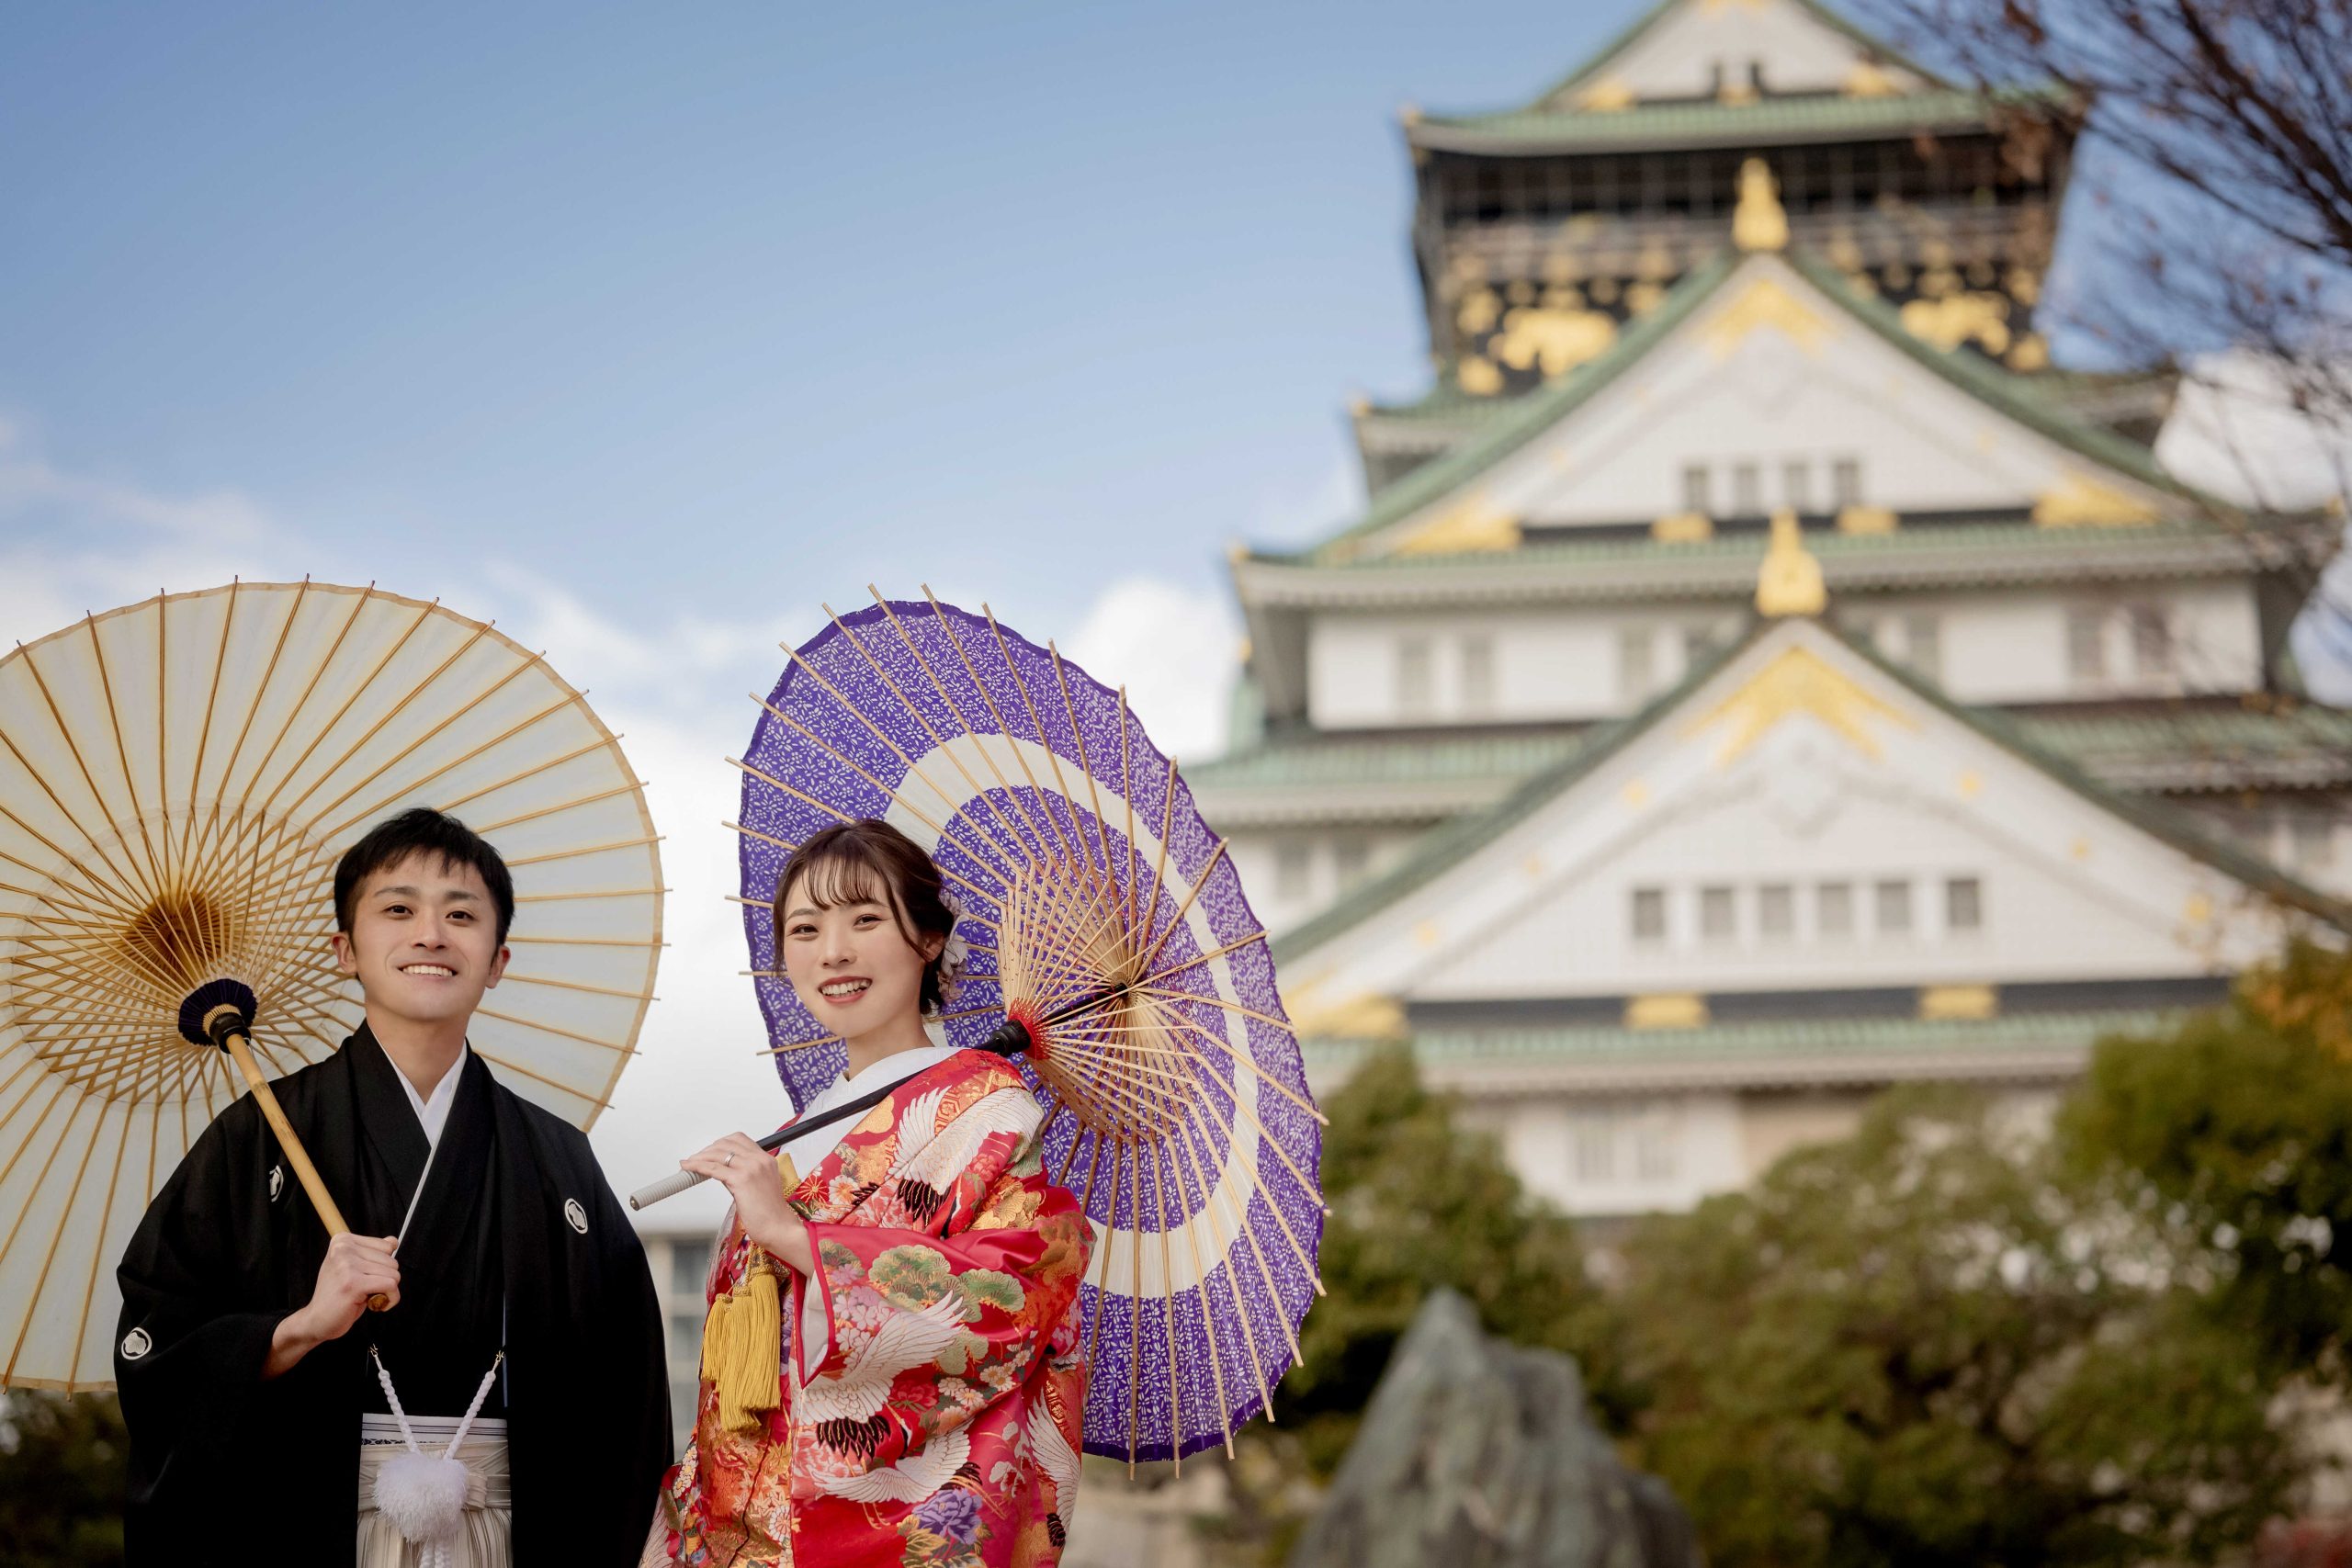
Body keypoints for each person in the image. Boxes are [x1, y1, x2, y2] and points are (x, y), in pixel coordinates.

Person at [115, 807, 672, 1567]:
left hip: (514, 1531)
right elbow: (158, 1344)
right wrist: (299, 1326)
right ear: (346, 949)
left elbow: (628, 1396)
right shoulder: (260, 1137)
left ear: (498, 958)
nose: (431, 933)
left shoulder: (557, 1156)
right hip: (307, 1524)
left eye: (462, 914)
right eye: (399, 908)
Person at [648, 819, 1091, 1567]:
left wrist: (795, 1240)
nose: (834, 951)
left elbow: (1013, 1297)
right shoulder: (793, 1136)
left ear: (928, 939)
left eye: (865, 918)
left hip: (877, 1528)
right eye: (805, 927)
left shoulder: (989, 1111)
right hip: (740, 1527)